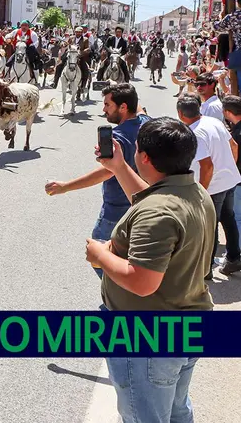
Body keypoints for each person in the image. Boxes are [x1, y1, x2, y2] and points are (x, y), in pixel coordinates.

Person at [88, 117, 213, 423]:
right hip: (185, 324)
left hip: (147, 337)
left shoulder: (156, 213)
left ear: (144, 156)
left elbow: (142, 282)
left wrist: (100, 255)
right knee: (176, 409)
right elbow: (153, 201)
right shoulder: (193, 193)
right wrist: (118, 168)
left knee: (144, 416)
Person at [46, 84, 150, 278]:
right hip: (143, 203)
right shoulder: (147, 123)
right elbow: (140, 110)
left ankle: (118, 296)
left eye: (107, 105)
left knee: (98, 255)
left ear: (123, 107)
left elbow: (105, 172)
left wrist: (65, 187)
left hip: (116, 208)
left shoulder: (118, 137)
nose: (103, 110)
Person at [177, 94, 241, 279]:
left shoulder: (194, 133)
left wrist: (201, 193)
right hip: (229, 180)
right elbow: (234, 146)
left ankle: (205, 270)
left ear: (181, 114)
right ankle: (234, 257)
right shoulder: (214, 121)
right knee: (227, 219)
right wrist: (228, 168)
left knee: (209, 226)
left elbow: (207, 165)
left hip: (213, 187)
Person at [220, 94, 241, 275]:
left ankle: (237, 257)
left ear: (227, 112)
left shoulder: (237, 134)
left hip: (239, 181)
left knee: (237, 218)